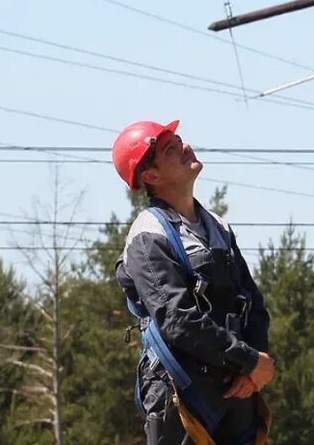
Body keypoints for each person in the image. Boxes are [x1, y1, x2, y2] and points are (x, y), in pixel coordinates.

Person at [112, 119, 274, 445]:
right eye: (172, 149)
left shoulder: (217, 226)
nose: (186, 147)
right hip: (182, 389)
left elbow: (252, 303)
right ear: (151, 176)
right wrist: (248, 360)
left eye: (181, 141)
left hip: (233, 385)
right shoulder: (148, 235)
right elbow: (177, 319)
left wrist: (255, 363)